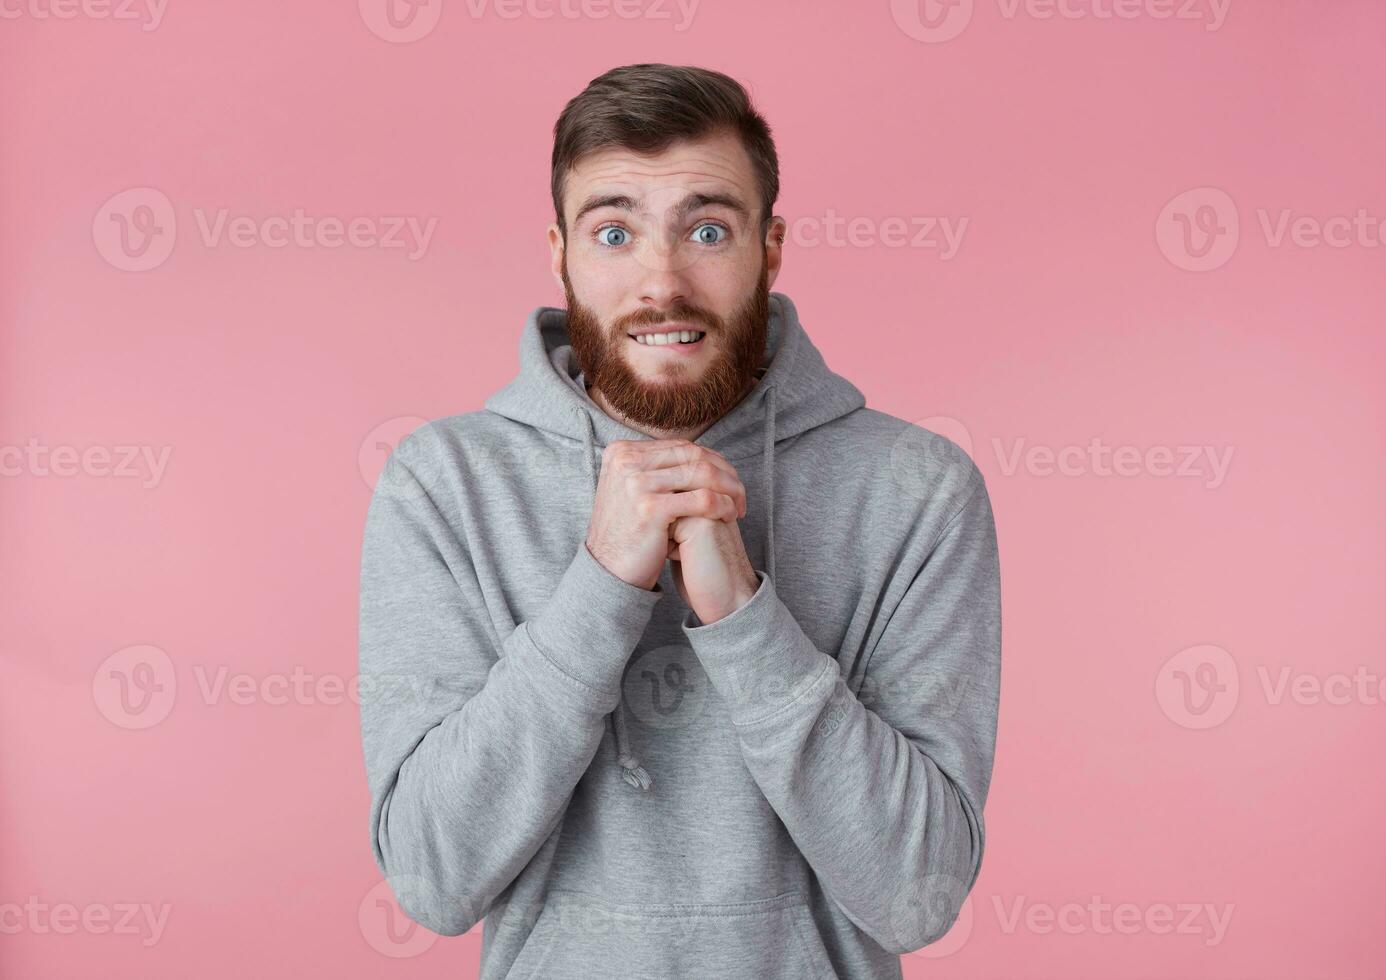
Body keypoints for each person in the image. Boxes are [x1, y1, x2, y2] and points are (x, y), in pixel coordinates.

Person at [358, 62, 1001, 980]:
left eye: (706, 229)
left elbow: (919, 894)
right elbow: (432, 878)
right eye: (614, 232)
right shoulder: (445, 483)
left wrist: (746, 619)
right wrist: (598, 591)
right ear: (560, 255)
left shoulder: (917, 490)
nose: (662, 281)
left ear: (769, 250)